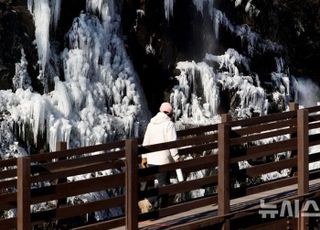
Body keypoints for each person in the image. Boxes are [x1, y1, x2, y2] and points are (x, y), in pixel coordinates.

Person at [140, 102, 180, 209]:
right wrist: (176, 157)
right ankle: (149, 202)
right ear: (170, 113)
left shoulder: (151, 123)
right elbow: (172, 143)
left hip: (151, 160)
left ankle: (160, 209)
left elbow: (145, 142)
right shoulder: (169, 124)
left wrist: (144, 158)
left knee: (162, 184)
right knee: (164, 186)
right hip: (163, 161)